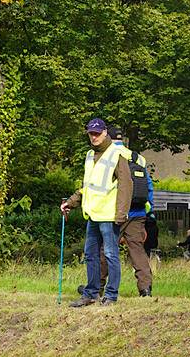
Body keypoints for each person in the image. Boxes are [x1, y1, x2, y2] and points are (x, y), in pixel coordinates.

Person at [61, 118, 132, 307]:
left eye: (97, 133)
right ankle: (91, 294)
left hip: (109, 216)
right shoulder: (89, 155)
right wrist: (71, 202)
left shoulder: (117, 154)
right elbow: (89, 187)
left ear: (105, 132)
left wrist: (121, 213)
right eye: (91, 133)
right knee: (90, 254)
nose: (94, 137)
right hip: (93, 214)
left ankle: (111, 294)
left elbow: (126, 186)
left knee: (110, 254)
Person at [101, 127, 153, 296]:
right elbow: (149, 187)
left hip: (115, 211)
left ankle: (97, 286)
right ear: (122, 138)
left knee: (106, 249)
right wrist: (148, 211)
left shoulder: (107, 156)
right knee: (137, 250)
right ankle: (145, 288)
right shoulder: (138, 158)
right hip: (138, 212)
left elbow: (105, 186)